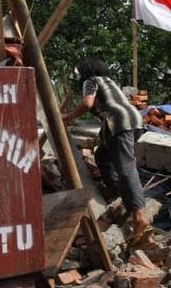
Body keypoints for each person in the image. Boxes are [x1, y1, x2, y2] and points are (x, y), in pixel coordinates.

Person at [61, 58, 149, 241]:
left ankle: (139, 216)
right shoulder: (109, 81)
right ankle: (116, 193)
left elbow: (87, 104)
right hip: (134, 120)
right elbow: (109, 107)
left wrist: (67, 117)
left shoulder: (90, 81)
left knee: (125, 168)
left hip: (120, 123)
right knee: (102, 155)